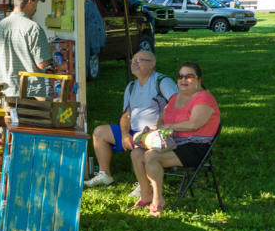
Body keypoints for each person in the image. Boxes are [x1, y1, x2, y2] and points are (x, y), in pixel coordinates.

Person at [130, 62, 220, 216]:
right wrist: (154, 130)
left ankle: (158, 200)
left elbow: (193, 124)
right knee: (136, 153)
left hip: (195, 147)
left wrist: (169, 127)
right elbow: (162, 121)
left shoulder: (204, 97)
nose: (183, 80)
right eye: (180, 76)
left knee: (151, 156)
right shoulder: (175, 99)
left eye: (189, 76)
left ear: (198, 79)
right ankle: (146, 195)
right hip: (171, 142)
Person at [84, 50, 178, 189]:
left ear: (152, 64)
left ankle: (146, 183)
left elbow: (176, 105)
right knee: (100, 132)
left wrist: (160, 124)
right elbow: (126, 114)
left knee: (145, 142)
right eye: (132, 60)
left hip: (154, 133)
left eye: (139, 60)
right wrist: (124, 134)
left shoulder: (162, 81)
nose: (134, 64)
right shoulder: (131, 86)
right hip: (134, 132)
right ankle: (105, 175)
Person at [0, 0, 51, 97]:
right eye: (36, 3)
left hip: (0, 93)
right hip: (28, 96)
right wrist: (50, 52)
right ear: (30, 2)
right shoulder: (33, 28)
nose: (36, 7)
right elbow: (42, 63)